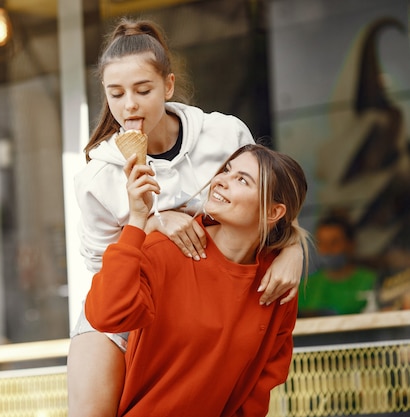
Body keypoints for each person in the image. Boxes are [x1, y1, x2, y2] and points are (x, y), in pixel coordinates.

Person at [68, 18, 305, 417]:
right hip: (131, 303)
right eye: (115, 93)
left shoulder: (223, 135)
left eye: (143, 90)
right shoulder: (98, 176)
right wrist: (153, 222)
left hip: (216, 303)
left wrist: (294, 248)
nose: (129, 105)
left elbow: (266, 199)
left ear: (169, 86)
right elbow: (100, 272)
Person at [85, 144, 309, 416]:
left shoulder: (277, 281)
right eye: (226, 170)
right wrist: (137, 222)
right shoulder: (166, 251)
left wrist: (294, 248)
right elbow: (107, 316)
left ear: (274, 213)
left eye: (241, 180)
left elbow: (264, 379)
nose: (221, 181)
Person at [298, 211, 377, 317]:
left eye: (334, 243)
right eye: (322, 243)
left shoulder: (370, 281)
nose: (327, 250)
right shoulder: (305, 287)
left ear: (350, 244)